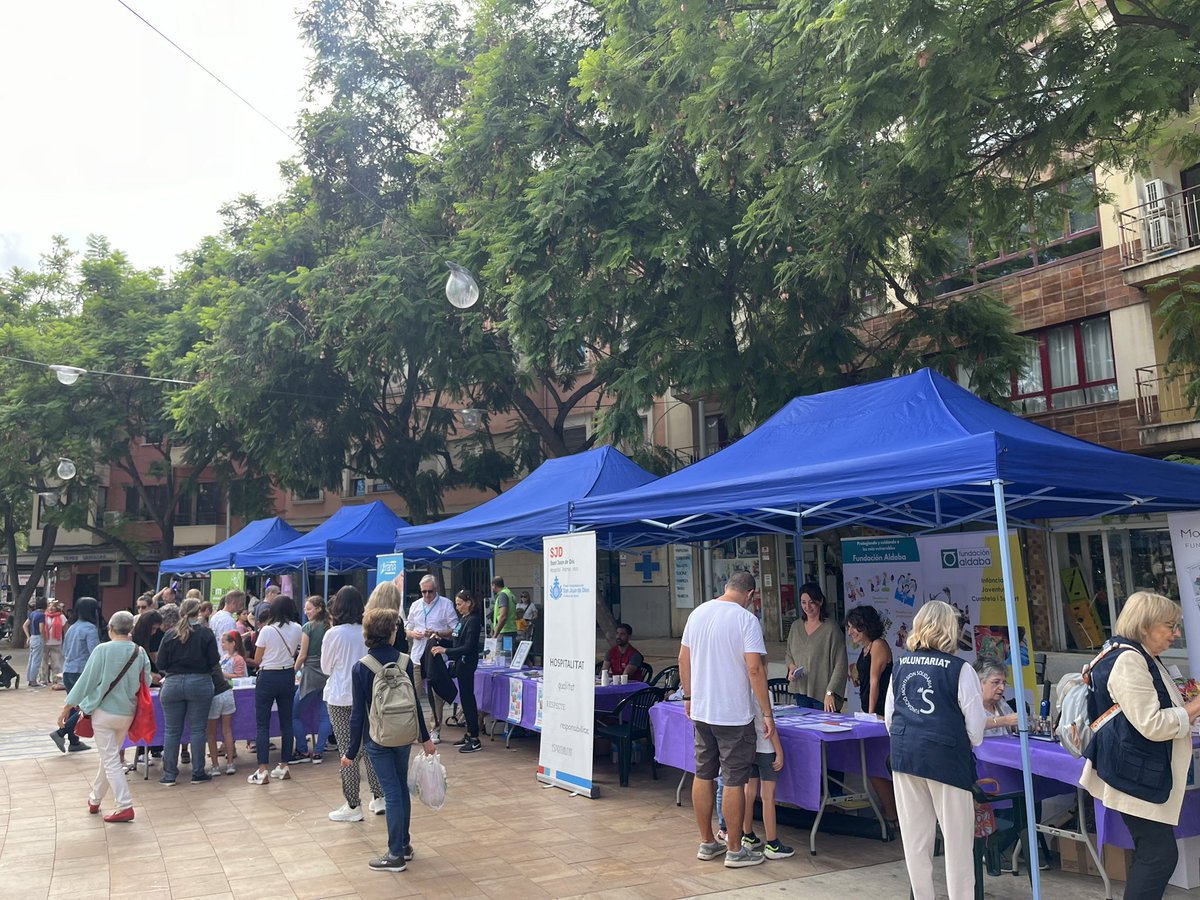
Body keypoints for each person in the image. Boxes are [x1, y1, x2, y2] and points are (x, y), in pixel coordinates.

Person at [1079, 592, 1200, 900]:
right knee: (1158, 856)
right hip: (1135, 774)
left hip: (1136, 770)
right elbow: (1152, 724)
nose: (1176, 633)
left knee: (1155, 853)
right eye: (1170, 626)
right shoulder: (1129, 660)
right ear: (1146, 626)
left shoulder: (1136, 655)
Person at [885, 600, 987, 900]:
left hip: (905, 757)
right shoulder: (961, 669)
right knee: (958, 844)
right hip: (947, 760)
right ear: (949, 629)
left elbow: (890, 718)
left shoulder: (901, 665)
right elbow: (976, 729)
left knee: (916, 844)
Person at [679, 570, 773, 868]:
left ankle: (707, 842)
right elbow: (755, 670)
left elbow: (683, 659)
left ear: (726, 587)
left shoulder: (698, 613)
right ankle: (734, 848)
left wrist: (689, 697)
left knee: (703, 773)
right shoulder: (747, 620)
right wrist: (767, 712)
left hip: (702, 711)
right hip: (734, 714)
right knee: (734, 779)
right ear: (750, 595)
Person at [342, 608, 436, 872]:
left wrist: (351, 752)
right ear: (391, 633)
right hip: (404, 734)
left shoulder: (361, 667)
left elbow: (358, 715)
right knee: (400, 789)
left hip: (378, 739)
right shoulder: (405, 661)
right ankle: (404, 846)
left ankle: (394, 854)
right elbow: (416, 704)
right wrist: (425, 738)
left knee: (391, 792)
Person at [58, 610, 151, 822]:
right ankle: (95, 799)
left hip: (104, 713)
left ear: (110, 628)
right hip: (127, 712)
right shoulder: (140, 651)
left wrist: (68, 705)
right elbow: (144, 681)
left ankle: (125, 805)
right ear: (131, 629)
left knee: (110, 759)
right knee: (108, 757)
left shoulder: (102, 650)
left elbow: (87, 681)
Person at [323, 586, 385, 821]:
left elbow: (325, 668)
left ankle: (352, 804)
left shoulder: (333, 634)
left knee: (347, 751)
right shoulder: (366, 631)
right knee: (370, 748)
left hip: (340, 696)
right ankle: (378, 797)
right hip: (366, 696)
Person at [155, 597, 219, 786]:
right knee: (198, 729)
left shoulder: (170, 634)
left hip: (173, 683)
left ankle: (169, 775)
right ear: (198, 611)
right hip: (200, 682)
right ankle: (198, 772)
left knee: (172, 731)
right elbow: (214, 660)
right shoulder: (206, 633)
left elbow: (161, 663)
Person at [846, 604, 899, 829]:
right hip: (870, 707)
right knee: (873, 765)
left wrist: (870, 714)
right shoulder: (866, 647)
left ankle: (892, 813)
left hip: (880, 712)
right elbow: (867, 678)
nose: (850, 632)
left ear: (864, 625)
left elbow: (876, 680)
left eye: (853, 627)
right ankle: (890, 811)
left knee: (879, 763)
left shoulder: (878, 645)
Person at [737, 665, 794, 859]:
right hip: (765, 748)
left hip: (747, 748)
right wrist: (779, 751)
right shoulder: (765, 693)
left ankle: (748, 835)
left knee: (748, 793)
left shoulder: (741, 692)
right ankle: (772, 843)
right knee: (768, 797)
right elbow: (769, 726)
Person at [247, 593, 303, 785]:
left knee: (263, 724)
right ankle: (284, 765)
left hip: (268, 676)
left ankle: (262, 769)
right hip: (287, 675)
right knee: (287, 722)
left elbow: (257, 659)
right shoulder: (297, 628)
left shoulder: (267, 630)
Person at [404, 575, 457, 744]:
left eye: (430, 592)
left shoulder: (446, 604)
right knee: (413, 693)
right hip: (418, 655)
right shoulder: (415, 605)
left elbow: (455, 629)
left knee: (435, 695)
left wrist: (438, 633)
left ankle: (435, 729)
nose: (427, 595)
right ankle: (415, 730)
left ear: (436, 590)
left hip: (436, 655)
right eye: (424, 592)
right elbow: (407, 627)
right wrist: (413, 634)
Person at [431, 590, 483, 753]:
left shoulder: (473, 620)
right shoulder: (464, 619)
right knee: (465, 699)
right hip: (460, 664)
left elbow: (468, 646)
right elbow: (456, 642)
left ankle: (474, 737)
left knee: (468, 699)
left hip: (467, 663)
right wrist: (441, 641)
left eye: (460, 604)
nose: (458, 607)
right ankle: (469, 733)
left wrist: (445, 651)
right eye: (456, 604)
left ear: (469, 603)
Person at [50, 596, 104, 753]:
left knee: (74, 705)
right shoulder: (90, 628)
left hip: (69, 670)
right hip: (82, 671)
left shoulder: (72, 627)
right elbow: (96, 652)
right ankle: (61, 732)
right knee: (85, 707)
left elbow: (65, 650)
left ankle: (74, 741)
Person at [785, 583, 848, 711]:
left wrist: (831, 692)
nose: (807, 607)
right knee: (803, 730)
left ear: (820, 601)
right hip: (801, 692)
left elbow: (840, 664)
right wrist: (792, 667)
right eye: (803, 602)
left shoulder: (831, 629)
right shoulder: (796, 626)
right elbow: (788, 654)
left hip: (823, 696)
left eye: (811, 602)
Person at [290, 595, 334, 765]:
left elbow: (302, 656)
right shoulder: (330, 626)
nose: (306, 611)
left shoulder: (308, 627)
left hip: (310, 676)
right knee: (325, 716)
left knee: (293, 714)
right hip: (328, 674)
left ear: (318, 609)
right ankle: (318, 751)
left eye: (308, 608)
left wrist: (292, 672)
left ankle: (302, 749)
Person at [208, 630, 247, 775]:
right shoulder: (222, 658)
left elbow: (239, 675)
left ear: (233, 643)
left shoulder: (235, 659)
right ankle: (230, 763)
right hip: (227, 693)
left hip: (216, 695)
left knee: (211, 733)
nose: (222, 644)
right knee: (227, 730)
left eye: (224, 641)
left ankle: (215, 766)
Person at [973, 656, 1019, 737]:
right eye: (996, 682)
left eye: (1004, 683)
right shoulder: (970, 706)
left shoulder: (1001, 703)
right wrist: (1005, 721)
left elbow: (1014, 726)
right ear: (978, 682)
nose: (1002, 688)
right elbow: (972, 726)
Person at [490, 576, 519, 655]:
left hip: (504, 632)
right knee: (509, 655)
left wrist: (495, 634)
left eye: (492, 586)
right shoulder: (509, 593)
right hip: (511, 629)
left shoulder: (502, 595)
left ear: (494, 585)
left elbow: (503, 616)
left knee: (504, 659)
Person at [42, 600, 67, 686]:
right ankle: (43, 679)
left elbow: (65, 629)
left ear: (57, 608)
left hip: (56, 642)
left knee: (56, 662)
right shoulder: (44, 616)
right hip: (45, 642)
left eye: (53, 606)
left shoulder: (61, 617)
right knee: (43, 661)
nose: (51, 608)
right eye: (49, 606)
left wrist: (66, 640)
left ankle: (56, 679)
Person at [25, 597, 46, 687]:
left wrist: (28, 637)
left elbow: (25, 625)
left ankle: (30, 678)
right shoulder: (42, 615)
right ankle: (33, 680)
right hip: (38, 638)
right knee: (36, 660)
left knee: (31, 659)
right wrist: (45, 638)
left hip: (32, 637)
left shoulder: (33, 614)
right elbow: (42, 629)